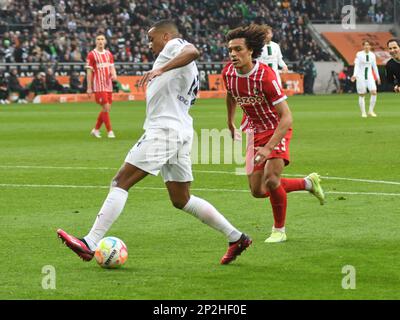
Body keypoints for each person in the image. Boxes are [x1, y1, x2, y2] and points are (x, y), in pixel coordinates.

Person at [57, 20, 251, 265]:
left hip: (164, 130)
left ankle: (90, 242)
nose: (149, 44)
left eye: (152, 38)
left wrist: (161, 69)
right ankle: (236, 237)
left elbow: (193, 51)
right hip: (180, 130)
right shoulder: (182, 66)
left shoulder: (174, 46)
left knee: (120, 181)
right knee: (182, 199)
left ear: (166, 36)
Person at [222, 24, 325, 243]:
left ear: (250, 51)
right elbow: (231, 95)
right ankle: (307, 183)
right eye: (230, 50)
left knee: (271, 179)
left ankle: (279, 230)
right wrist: (230, 121)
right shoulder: (228, 72)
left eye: (238, 49)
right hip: (253, 131)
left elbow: (287, 117)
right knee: (257, 191)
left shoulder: (265, 76)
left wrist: (269, 147)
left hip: (275, 128)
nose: (233, 54)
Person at [86, 33, 116, 139]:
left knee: (106, 109)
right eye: (98, 39)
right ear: (95, 41)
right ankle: (110, 131)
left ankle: (96, 130)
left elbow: (112, 67)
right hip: (99, 86)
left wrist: (114, 75)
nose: (100, 41)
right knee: (106, 107)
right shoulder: (91, 54)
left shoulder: (109, 54)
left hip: (108, 86)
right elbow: (89, 72)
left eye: (102, 39)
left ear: (105, 41)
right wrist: (89, 88)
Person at [351, 41, 381, 117]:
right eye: (365, 45)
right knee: (362, 94)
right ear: (363, 46)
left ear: (370, 46)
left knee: (374, 92)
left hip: (370, 77)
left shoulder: (372, 55)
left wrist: (378, 77)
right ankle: (363, 112)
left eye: (368, 45)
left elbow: (375, 67)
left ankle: (371, 111)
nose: (367, 46)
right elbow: (356, 65)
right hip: (360, 77)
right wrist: (354, 75)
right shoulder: (359, 54)